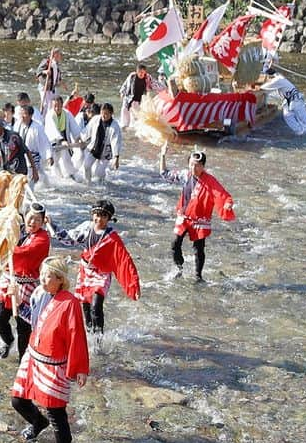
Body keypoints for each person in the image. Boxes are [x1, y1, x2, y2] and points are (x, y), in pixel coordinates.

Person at [10, 256, 90, 443]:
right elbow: (33, 321)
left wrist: (80, 368)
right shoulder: (41, 294)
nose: (42, 280)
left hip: (53, 365)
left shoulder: (70, 303)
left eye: (47, 277)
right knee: (18, 400)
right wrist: (17, 300)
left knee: (56, 413)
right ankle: (38, 422)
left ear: (60, 279)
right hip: (33, 357)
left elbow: (77, 335)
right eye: (42, 275)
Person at [52, 200, 141, 344]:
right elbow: (69, 239)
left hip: (101, 274)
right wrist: (53, 225)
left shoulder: (111, 237)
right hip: (85, 271)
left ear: (109, 218)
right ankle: (89, 336)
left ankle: (98, 340)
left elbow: (125, 260)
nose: (99, 219)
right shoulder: (87, 228)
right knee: (85, 306)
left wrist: (134, 284)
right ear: (92, 215)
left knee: (96, 305)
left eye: (103, 216)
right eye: (96, 215)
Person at [159, 146, 235, 281]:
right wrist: (163, 156)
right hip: (184, 216)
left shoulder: (210, 181)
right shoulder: (185, 175)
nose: (194, 168)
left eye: (198, 165)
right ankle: (179, 268)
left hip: (200, 219)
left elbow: (222, 194)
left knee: (198, 249)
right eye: (192, 165)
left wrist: (227, 203)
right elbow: (165, 174)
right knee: (175, 244)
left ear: (203, 166)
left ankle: (198, 276)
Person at [0, 207, 51, 361]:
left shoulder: (43, 238)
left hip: (28, 284)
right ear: (24, 216)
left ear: (43, 221)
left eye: (38, 219)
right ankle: (8, 341)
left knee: (23, 326)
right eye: (30, 218)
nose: (33, 222)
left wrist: (6, 246)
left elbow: (25, 252)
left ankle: (23, 361)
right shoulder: (15, 229)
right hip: (8, 278)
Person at [261, 65, 306, 137]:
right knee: (287, 116)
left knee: (304, 121)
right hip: (289, 101)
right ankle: (300, 132)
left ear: (269, 76)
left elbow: (263, 88)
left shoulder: (277, 80)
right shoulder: (279, 77)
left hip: (296, 101)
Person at [79, 103, 122, 183]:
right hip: (93, 148)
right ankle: (88, 183)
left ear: (111, 114)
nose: (104, 116)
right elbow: (87, 130)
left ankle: (102, 183)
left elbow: (116, 141)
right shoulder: (96, 119)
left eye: (106, 114)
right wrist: (82, 139)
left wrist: (116, 157)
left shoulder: (115, 126)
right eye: (102, 113)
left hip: (105, 152)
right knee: (86, 166)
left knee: (98, 173)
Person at [44, 95, 81, 180]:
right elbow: (52, 129)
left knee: (67, 160)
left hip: (65, 140)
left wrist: (78, 137)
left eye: (59, 106)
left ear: (62, 105)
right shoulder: (49, 115)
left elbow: (74, 126)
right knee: (55, 161)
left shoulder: (67, 113)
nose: (57, 108)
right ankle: (59, 178)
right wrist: (61, 140)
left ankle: (73, 175)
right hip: (53, 141)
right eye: (55, 106)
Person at [119, 63, 160, 129]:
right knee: (124, 115)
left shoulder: (148, 77)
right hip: (128, 98)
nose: (141, 74)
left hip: (139, 100)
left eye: (143, 72)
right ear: (137, 72)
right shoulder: (132, 76)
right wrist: (122, 92)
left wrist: (163, 90)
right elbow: (125, 84)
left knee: (135, 117)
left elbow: (156, 84)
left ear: (145, 72)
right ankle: (124, 128)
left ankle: (134, 130)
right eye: (139, 72)